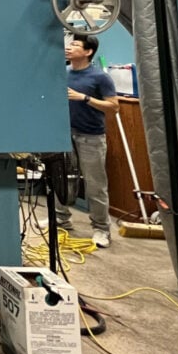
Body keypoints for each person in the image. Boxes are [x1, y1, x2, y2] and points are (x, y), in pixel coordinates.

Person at [57, 32, 120, 248]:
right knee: (61, 178)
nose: (69, 48)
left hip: (90, 137)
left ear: (88, 51)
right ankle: (61, 219)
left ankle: (101, 229)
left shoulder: (100, 77)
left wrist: (84, 98)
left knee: (95, 185)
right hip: (65, 134)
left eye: (74, 44)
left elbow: (114, 106)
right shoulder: (63, 72)